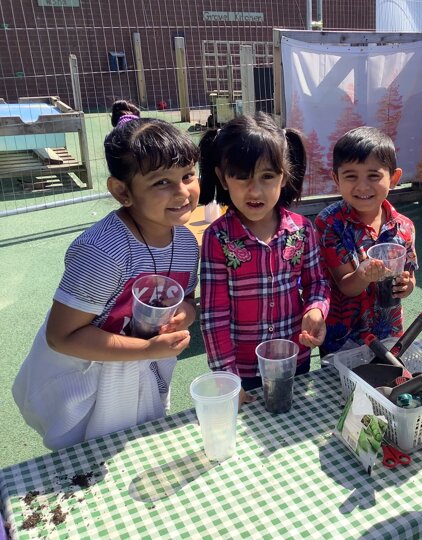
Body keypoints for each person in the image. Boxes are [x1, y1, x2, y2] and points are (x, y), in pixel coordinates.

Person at [13, 105, 200, 450]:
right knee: (86, 455)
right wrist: (147, 349)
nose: (182, 192)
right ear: (122, 191)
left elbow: (186, 299)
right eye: (161, 182)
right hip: (86, 377)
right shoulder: (103, 252)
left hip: (141, 367)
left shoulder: (187, 243)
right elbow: (62, 336)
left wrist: (185, 314)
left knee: (136, 445)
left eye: (188, 175)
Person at [198, 113, 329, 394]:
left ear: (284, 176)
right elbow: (214, 316)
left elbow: (317, 282)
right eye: (241, 177)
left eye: (267, 176)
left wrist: (316, 309)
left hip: (295, 359)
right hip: (243, 372)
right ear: (222, 178)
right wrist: (227, 378)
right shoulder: (217, 238)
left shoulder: (302, 230)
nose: (255, 190)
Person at [315, 126, 418, 355]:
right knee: (340, 379)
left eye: (373, 175)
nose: (362, 186)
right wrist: (363, 275)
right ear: (336, 179)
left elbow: (410, 277)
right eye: (351, 176)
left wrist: (406, 285)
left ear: (394, 178)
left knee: (387, 375)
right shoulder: (329, 223)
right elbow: (345, 286)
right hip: (343, 338)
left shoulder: (404, 227)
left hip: (389, 332)